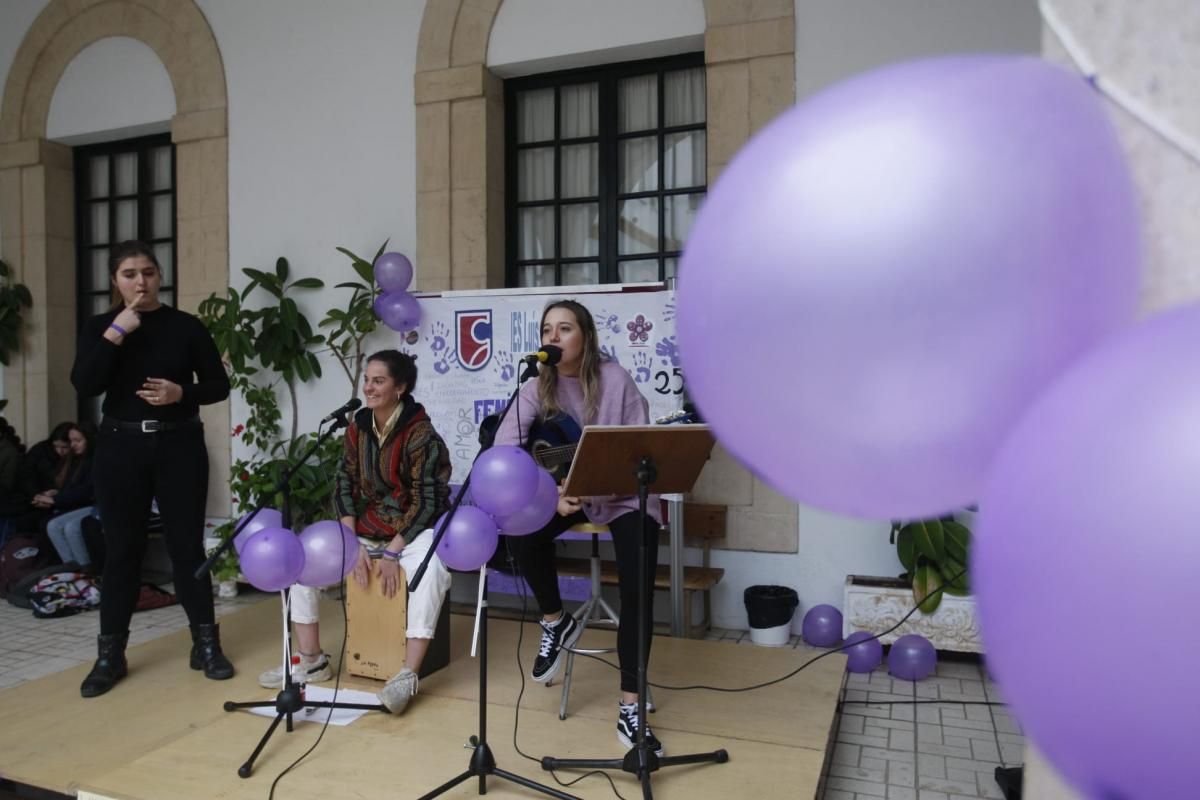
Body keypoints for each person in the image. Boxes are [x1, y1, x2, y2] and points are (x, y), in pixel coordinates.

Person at [494, 299, 665, 756]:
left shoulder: (616, 380)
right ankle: (556, 618)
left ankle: (631, 707)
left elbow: (638, 449)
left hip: (622, 494)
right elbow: (505, 448)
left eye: (564, 328)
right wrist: (550, 492)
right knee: (519, 530)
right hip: (567, 494)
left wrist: (588, 485)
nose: (553, 336)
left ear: (585, 338)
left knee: (638, 587)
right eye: (547, 329)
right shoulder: (535, 386)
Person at [71, 240, 232, 698]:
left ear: (159, 276)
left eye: (147, 272)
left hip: (179, 444)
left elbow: (218, 385)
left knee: (187, 548)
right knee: (122, 549)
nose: (140, 281)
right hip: (121, 446)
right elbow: (86, 382)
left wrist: (182, 393)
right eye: (129, 274)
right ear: (115, 280)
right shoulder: (102, 326)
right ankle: (110, 655)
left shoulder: (186, 326)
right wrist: (118, 331)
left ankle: (204, 644)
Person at [257, 349, 452, 715]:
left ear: (401, 387)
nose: (369, 387)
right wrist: (348, 543)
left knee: (431, 569)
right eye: (367, 380)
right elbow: (343, 484)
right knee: (302, 563)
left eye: (378, 381)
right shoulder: (357, 427)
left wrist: (393, 552)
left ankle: (407, 674)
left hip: (413, 529)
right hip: (367, 526)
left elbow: (427, 501)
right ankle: (312, 658)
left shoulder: (421, 434)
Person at [40, 422, 98, 570]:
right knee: (53, 525)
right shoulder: (75, 460)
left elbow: (88, 491)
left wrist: (55, 499)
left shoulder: (96, 459)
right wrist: (56, 494)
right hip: (78, 504)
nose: (73, 445)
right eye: (71, 441)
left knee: (71, 527)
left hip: (94, 505)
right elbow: (72, 488)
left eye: (77, 441)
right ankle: (70, 566)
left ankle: (85, 567)